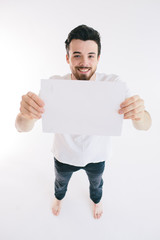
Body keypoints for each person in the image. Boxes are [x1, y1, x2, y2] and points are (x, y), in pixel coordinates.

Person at [15, 25, 152, 219]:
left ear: (98, 58)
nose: (84, 62)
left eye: (91, 56)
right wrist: (25, 116)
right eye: (77, 55)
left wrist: (140, 113)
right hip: (63, 156)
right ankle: (58, 198)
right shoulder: (55, 85)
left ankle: (96, 200)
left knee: (97, 184)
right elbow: (22, 127)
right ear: (67, 58)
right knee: (60, 183)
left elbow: (145, 125)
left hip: (97, 157)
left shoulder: (113, 84)